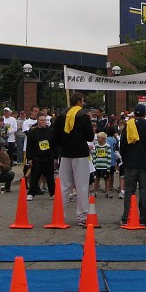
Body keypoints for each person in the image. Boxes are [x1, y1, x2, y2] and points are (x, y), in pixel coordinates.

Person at [52, 92, 95, 225]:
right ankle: (82, 217)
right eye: (83, 101)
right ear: (78, 101)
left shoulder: (62, 117)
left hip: (65, 154)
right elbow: (89, 137)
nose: (84, 103)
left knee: (64, 186)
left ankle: (59, 214)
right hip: (81, 154)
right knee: (82, 186)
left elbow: (55, 136)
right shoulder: (83, 117)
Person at [118, 104, 146, 225]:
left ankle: (127, 217)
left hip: (130, 163)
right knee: (144, 191)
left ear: (135, 114)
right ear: (145, 114)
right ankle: (143, 218)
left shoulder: (128, 126)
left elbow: (123, 145)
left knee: (129, 190)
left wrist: (125, 160)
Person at [26, 113, 56, 199]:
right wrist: (29, 158)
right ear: (38, 121)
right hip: (37, 158)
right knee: (35, 177)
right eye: (41, 120)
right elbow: (29, 146)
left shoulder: (50, 132)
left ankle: (52, 193)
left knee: (50, 177)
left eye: (44, 120)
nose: (43, 122)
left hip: (48, 157)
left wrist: (55, 157)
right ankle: (31, 193)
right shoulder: (33, 132)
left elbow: (54, 145)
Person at [92, 131, 115, 198]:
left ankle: (107, 192)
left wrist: (108, 167)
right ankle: (95, 192)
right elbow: (94, 156)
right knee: (97, 179)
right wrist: (94, 165)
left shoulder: (107, 146)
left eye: (98, 137)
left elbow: (109, 157)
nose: (97, 139)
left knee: (107, 179)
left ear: (103, 138)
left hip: (105, 166)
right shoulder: (96, 146)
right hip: (98, 166)